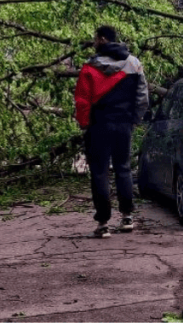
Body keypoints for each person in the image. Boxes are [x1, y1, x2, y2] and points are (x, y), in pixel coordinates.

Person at [74, 25, 149, 238]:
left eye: (95, 38)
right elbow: (142, 96)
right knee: (123, 168)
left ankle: (103, 223)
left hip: (99, 126)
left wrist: (84, 124)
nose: (93, 41)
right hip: (123, 124)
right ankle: (127, 217)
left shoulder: (89, 68)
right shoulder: (133, 64)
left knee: (99, 172)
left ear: (103, 39)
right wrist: (134, 119)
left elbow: (82, 100)